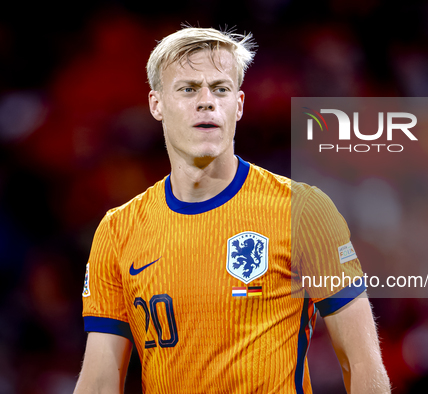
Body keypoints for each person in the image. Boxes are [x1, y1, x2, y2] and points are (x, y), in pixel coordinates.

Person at [73, 26, 390, 394]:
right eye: (188, 89)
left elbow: (361, 362)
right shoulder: (118, 230)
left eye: (220, 89)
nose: (207, 101)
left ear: (238, 105)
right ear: (156, 104)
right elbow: (99, 381)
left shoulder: (301, 209)